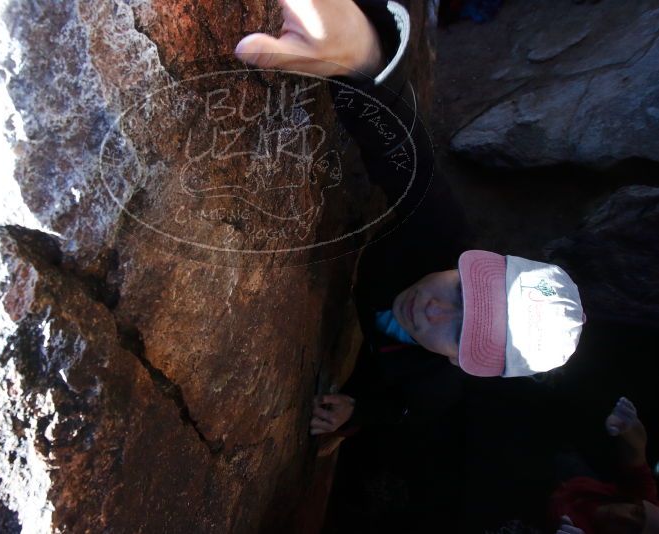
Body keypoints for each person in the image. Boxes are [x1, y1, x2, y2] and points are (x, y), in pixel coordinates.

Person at [235, 0, 586, 436]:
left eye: (459, 333)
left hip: (374, 336)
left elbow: (399, 409)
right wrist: (364, 61)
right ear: (468, 263)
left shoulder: (432, 384)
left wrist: (354, 413)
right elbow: (407, 160)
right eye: (461, 292)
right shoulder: (442, 236)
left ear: (460, 360)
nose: (434, 309)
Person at [551, 397, 659, 534]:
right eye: (636, 512)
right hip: (576, 482)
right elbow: (638, 465)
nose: (622, 517)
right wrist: (627, 428)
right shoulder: (650, 502)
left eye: (632, 530)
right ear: (636, 502)